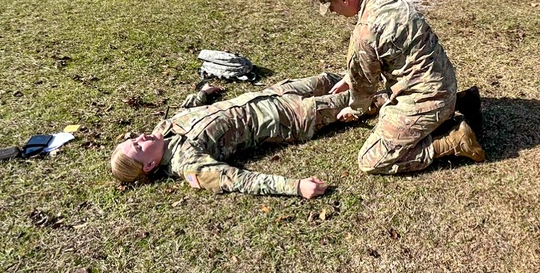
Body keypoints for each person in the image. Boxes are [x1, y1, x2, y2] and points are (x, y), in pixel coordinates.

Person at [314, 0, 484, 175]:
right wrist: (349, 77)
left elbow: (365, 86)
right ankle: (460, 100)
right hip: (444, 82)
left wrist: (355, 109)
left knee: (371, 161)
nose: (332, 12)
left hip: (427, 98)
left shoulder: (365, 32)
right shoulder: (393, 3)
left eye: (331, 6)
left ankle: (456, 141)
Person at [109, 72, 367, 198]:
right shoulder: (188, 164)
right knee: (357, 98)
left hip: (270, 94)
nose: (141, 138)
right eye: (139, 147)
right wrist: (296, 187)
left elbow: (187, 111)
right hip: (288, 117)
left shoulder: (161, 131)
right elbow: (237, 180)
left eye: (134, 139)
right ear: (151, 165)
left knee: (332, 77)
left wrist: (203, 93)